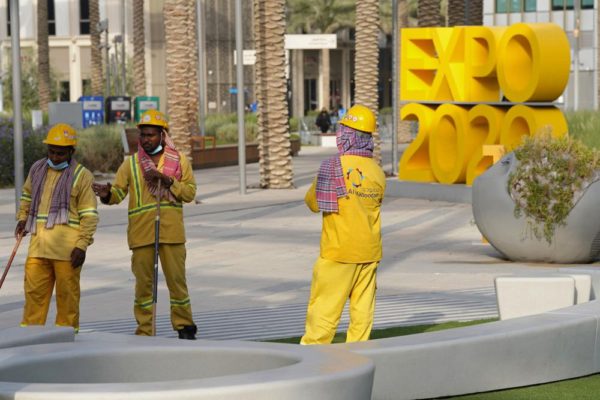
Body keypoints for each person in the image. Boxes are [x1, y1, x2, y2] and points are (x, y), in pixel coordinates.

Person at [92, 109, 198, 340]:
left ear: (162, 135)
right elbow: (118, 193)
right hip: (141, 235)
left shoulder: (179, 161)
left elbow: (190, 194)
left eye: (151, 134)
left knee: (177, 284)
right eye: (143, 135)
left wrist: (169, 181)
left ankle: (185, 327)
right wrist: (106, 194)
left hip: (171, 234)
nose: (146, 139)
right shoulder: (131, 165)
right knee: (143, 288)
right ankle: (145, 331)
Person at [301, 104, 386, 345]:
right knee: (362, 313)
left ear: (346, 135)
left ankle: (312, 357)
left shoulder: (332, 168)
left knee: (324, 312)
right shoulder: (377, 172)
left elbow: (313, 203)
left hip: (338, 252)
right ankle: (357, 358)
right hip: (369, 252)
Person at [15, 123, 98, 332]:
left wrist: (82, 245)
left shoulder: (82, 175)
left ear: (72, 151)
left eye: (60, 153)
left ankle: (66, 339)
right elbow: (26, 196)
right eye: (51, 151)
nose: (55, 157)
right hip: (38, 248)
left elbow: (89, 215)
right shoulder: (37, 169)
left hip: (67, 252)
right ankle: (30, 338)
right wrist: (22, 218)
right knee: (33, 298)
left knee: (67, 299)